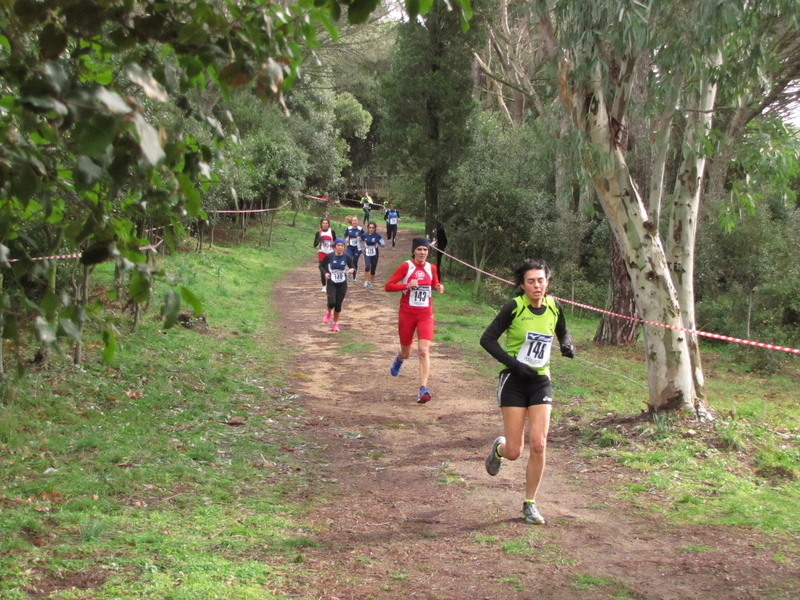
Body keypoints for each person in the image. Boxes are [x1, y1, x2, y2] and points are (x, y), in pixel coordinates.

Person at [479, 259, 575, 525]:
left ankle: (529, 503)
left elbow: (562, 331)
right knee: (514, 451)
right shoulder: (514, 307)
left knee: (539, 443)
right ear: (521, 285)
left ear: (548, 282)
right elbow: (486, 339)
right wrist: (516, 365)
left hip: (541, 380)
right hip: (513, 380)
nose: (537, 286)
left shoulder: (555, 306)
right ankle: (499, 449)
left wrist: (566, 345)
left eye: (541, 280)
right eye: (531, 281)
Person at [385, 238, 444, 404]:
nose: (422, 253)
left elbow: (435, 283)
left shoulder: (431, 267)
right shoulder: (406, 266)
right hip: (407, 314)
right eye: (419, 249)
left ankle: (423, 389)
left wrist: (438, 287)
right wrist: (406, 286)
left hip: (425, 314)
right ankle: (399, 358)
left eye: (425, 250)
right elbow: (388, 286)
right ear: (414, 251)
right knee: (407, 352)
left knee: (424, 350)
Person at [320, 239, 354, 332]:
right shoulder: (330, 256)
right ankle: (328, 312)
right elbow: (321, 266)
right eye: (338, 245)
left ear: (344, 247)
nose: (340, 247)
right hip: (331, 282)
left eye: (342, 246)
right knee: (332, 302)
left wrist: (351, 270)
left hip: (342, 283)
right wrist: (325, 273)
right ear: (335, 246)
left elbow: (352, 266)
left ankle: (335, 324)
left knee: (338, 305)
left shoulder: (347, 257)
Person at [313, 218, 336, 292]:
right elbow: (315, 245)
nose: (325, 225)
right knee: (322, 269)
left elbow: (335, 242)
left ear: (328, 224)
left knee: (330, 269)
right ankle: (324, 286)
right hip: (322, 253)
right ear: (321, 224)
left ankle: (331, 284)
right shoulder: (319, 232)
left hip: (330, 252)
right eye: (323, 223)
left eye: (326, 223)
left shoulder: (332, 232)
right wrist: (319, 239)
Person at [361, 221, 386, 290]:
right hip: (367, 252)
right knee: (367, 266)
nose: (371, 229)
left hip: (375, 253)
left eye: (373, 228)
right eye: (370, 227)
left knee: (373, 268)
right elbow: (359, 240)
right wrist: (359, 248)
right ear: (368, 228)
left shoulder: (377, 236)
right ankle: (366, 281)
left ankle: (371, 283)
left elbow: (383, 244)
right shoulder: (364, 235)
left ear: (375, 228)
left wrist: (379, 242)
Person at [344, 215, 364, 282]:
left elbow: (364, 237)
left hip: (357, 248)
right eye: (353, 221)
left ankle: (354, 277)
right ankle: (350, 269)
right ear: (351, 222)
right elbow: (346, 235)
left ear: (357, 221)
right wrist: (346, 238)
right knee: (348, 258)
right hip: (350, 247)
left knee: (355, 261)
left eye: (356, 220)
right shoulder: (349, 228)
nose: (354, 222)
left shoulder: (360, 229)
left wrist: (360, 238)